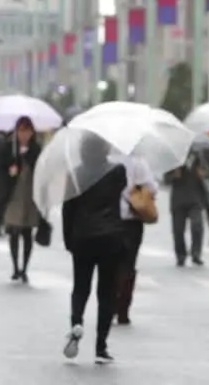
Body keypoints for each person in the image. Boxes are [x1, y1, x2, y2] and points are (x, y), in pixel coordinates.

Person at [62, 135, 128, 364]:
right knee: (106, 293)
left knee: (80, 287)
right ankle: (101, 347)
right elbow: (121, 194)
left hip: (82, 237)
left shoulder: (75, 174)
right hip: (110, 238)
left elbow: (67, 209)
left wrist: (68, 239)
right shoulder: (117, 172)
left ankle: (77, 322)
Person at [0, 116, 42, 282]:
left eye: (27, 131)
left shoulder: (36, 149)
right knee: (14, 230)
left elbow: (41, 169)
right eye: (21, 130)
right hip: (14, 194)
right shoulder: (9, 148)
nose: (24, 135)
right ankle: (15, 266)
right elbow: (0, 168)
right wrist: (10, 170)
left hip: (30, 194)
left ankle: (25, 268)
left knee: (27, 232)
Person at [115, 153, 158, 325]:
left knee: (109, 264)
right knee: (128, 264)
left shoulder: (104, 161)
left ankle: (109, 303)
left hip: (108, 219)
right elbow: (152, 188)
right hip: (132, 220)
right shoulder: (138, 162)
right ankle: (123, 308)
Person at [166, 150, 209, 266]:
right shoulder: (173, 158)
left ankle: (196, 253)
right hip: (178, 200)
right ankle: (181, 255)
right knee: (178, 230)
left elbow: (208, 172)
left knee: (197, 226)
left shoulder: (198, 156)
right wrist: (173, 175)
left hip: (195, 198)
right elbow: (166, 179)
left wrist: (203, 173)